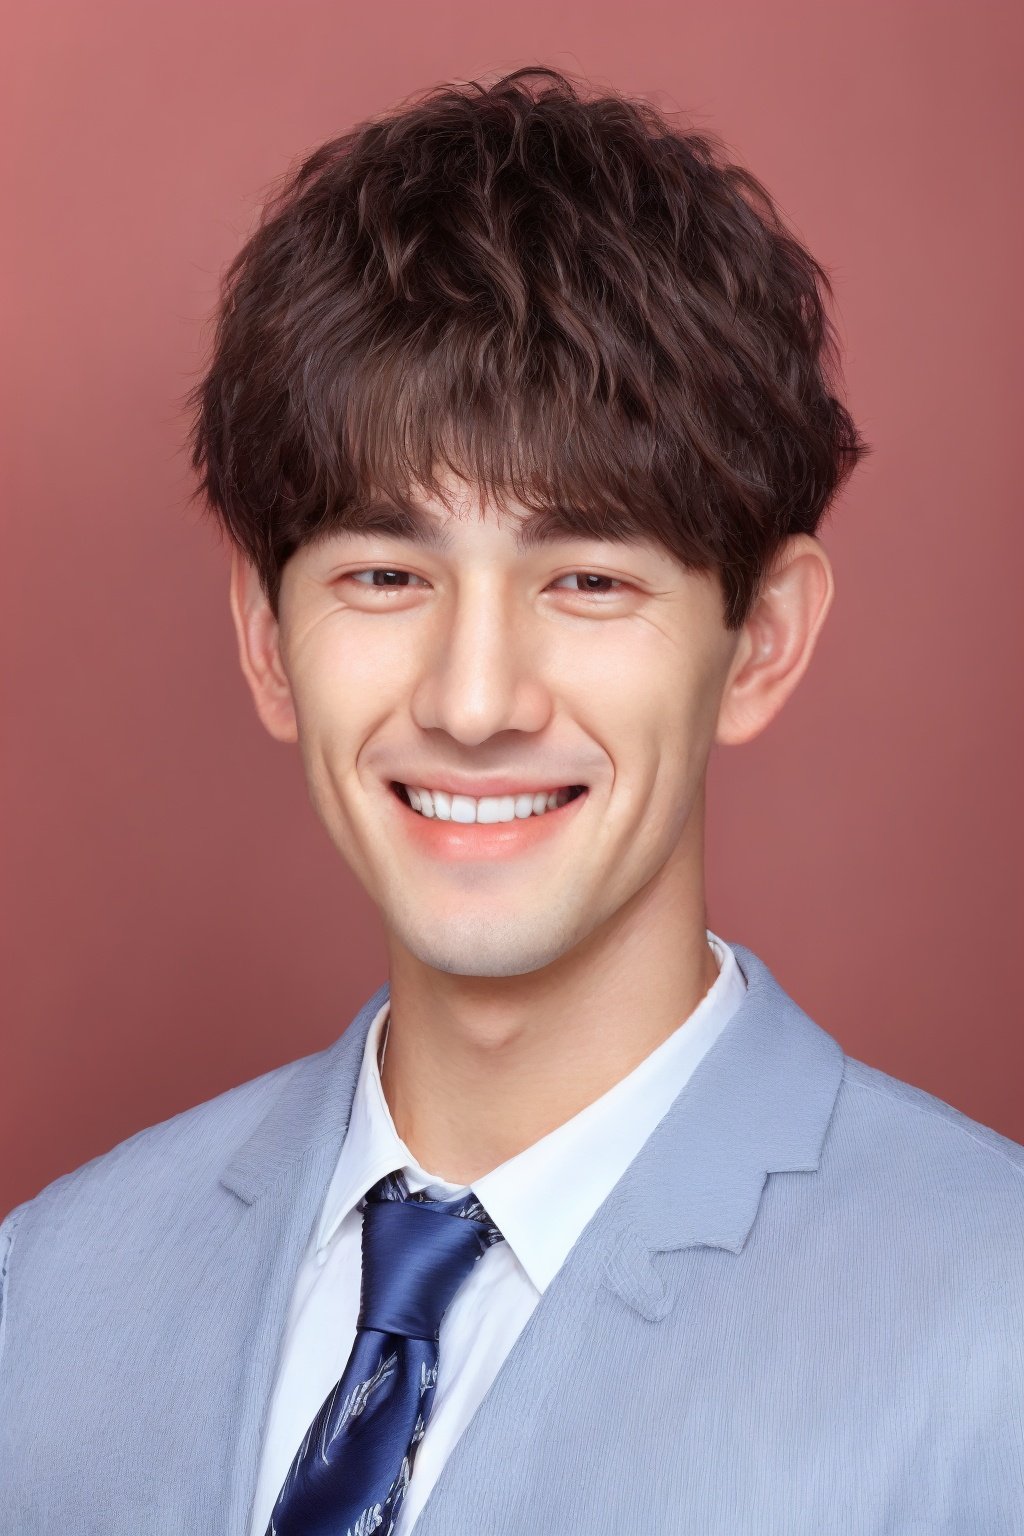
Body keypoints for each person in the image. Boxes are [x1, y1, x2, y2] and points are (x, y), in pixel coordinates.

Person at [1, 65, 1021, 1535]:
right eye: (384, 576)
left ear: (765, 640)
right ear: (264, 639)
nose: (475, 701)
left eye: (589, 581)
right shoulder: (51, 1291)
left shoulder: (997, 1329)